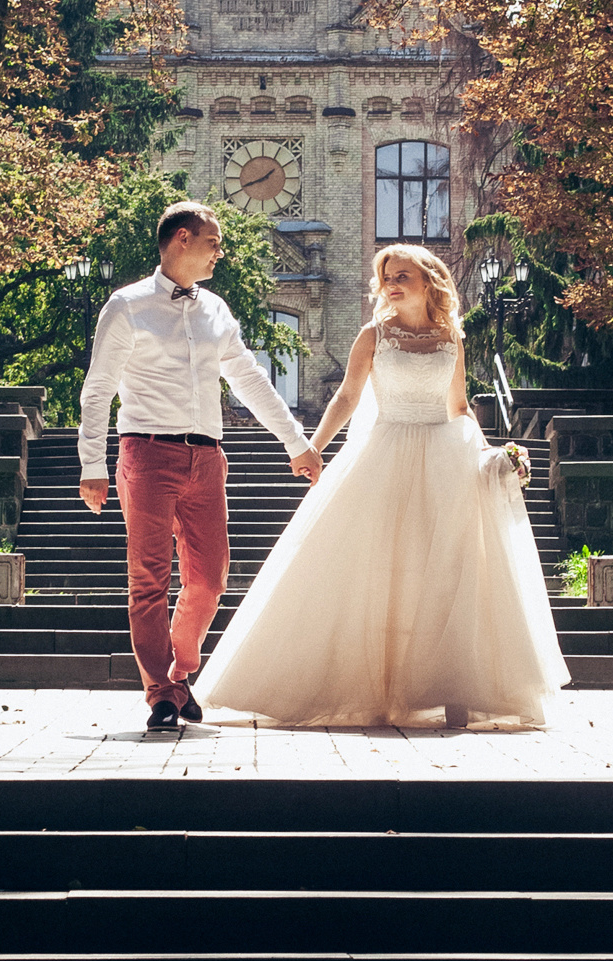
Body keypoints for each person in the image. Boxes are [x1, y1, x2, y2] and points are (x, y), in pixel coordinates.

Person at [196, 243, 568, 728]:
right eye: (387, 276)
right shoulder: (373, 336)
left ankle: (457, 692)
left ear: (428, 280)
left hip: (445, 457)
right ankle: (371, 689)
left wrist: (490, 455)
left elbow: (458, 407)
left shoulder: (451, 339)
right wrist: (313, 447)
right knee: (376, 571)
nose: (392, 283)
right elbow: (347, 396)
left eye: (403, 276)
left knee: (451, 573)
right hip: (385, 452)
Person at [77, 201, 323, 731]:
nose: (220, 251)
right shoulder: (127, 306)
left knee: (209, 580)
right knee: (148, 579)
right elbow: (97, 390)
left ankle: (179, 669)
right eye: (214, 241)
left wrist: (296, 442)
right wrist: (91, 464)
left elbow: (250, 379)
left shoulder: (215, 310)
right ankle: (161, 693)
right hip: (145, 453)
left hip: (207, 457)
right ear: (182, 239)